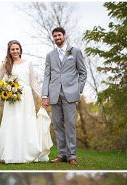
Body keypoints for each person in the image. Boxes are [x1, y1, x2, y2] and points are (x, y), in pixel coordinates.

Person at [0, 40, 53, 164]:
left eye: (17, 49)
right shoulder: (5, 64)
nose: (15, 51)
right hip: (12, 99)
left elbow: (33, 82)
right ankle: (11, 154)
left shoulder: (28, 63)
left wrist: (43, 97)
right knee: (13, 123)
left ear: (20, 50)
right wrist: (6, 89)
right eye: (12, 49)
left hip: (26, 97)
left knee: (26, 122)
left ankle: (28, 153)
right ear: (9, 51)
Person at [41, 27, 87, 166]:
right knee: (57, 125)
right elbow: (47, 75)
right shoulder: (50, 55)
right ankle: (62, 154)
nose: (57, 38)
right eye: (54, 36)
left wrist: (77, 90)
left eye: (59, 35)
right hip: (54, 94)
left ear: (64, 35)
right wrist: (45, 95)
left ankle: (72, 155)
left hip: (70, 94)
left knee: (70, 125)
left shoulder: (76, 51)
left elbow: (83, 73)